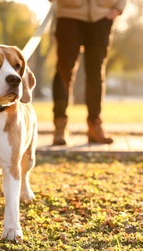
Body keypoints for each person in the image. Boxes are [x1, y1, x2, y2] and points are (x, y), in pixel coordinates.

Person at [51, 0, 127, 145]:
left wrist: (118, 8)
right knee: (63, 71)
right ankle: (60, 125)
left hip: (102, 14)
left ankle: (95, 125)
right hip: (69, 14)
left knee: (96, 73)